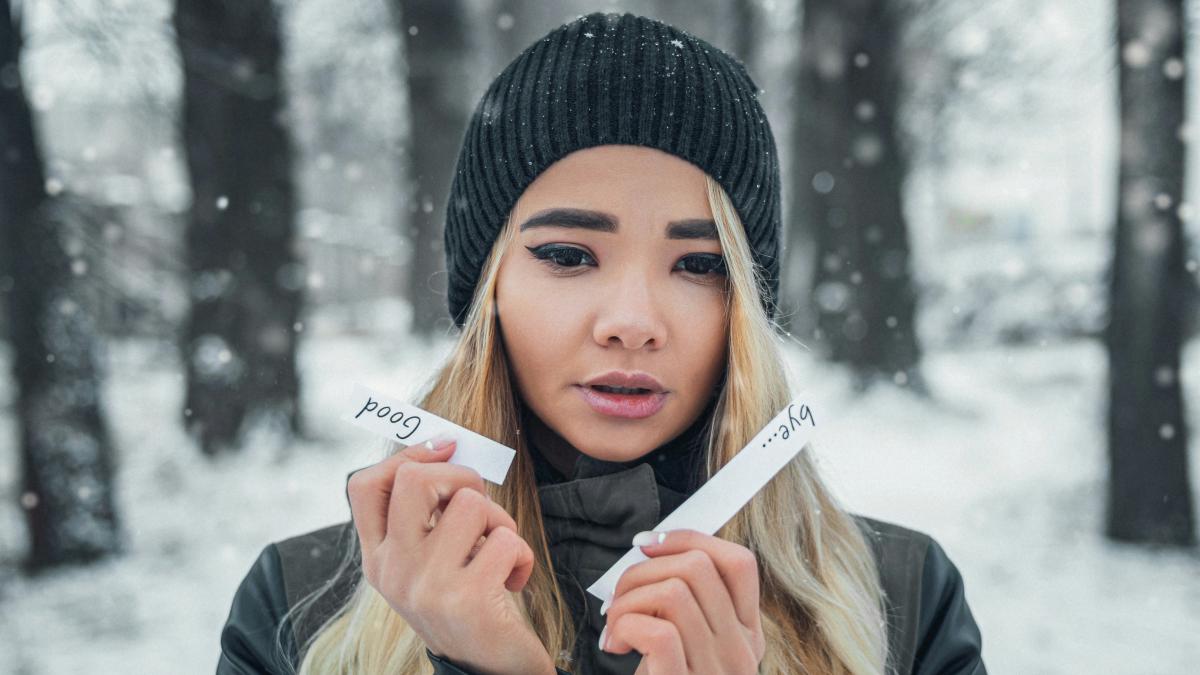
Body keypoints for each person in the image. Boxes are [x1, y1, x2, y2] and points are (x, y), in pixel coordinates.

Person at [217, 11, 986, 675]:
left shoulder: (900, 598)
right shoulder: (300, 605)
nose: (632, 320)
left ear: (743, 308)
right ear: (490, 292)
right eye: (568, 255)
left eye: (699, 265)